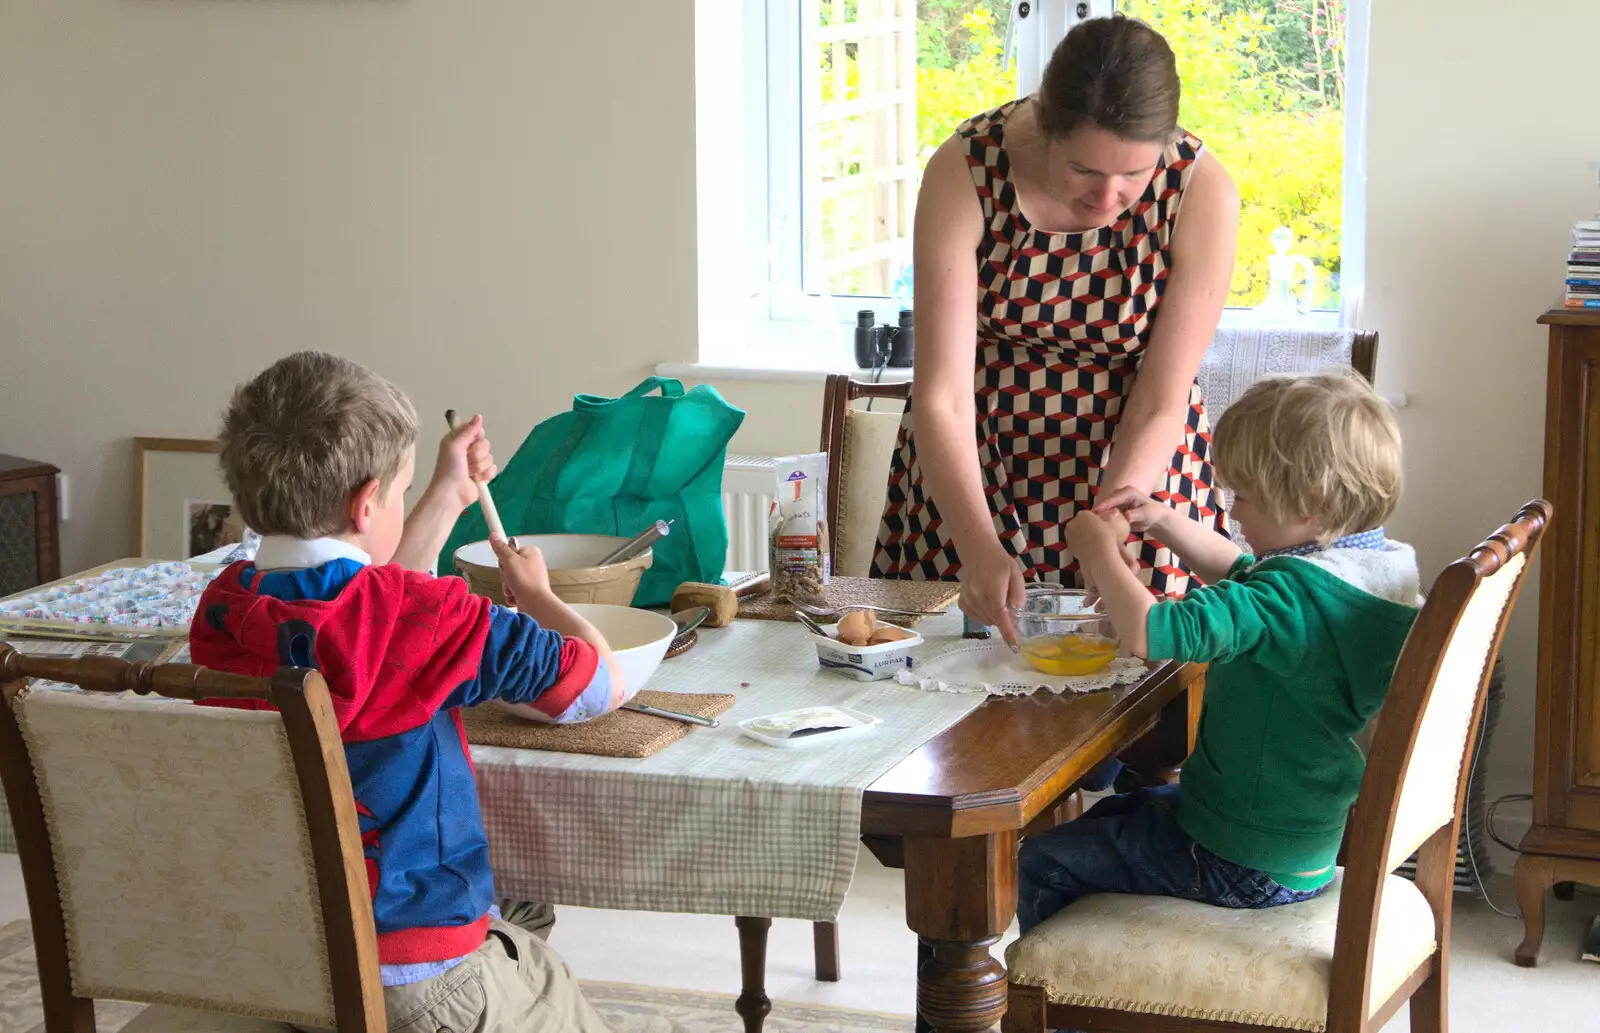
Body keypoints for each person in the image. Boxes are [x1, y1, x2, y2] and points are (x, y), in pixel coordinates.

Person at [190, 351, 619, 1031]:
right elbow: (595, 685)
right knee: (547, 977)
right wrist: (539, 596)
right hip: (417, 979)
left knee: (521, 912)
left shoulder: (222, 610)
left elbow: (375, 599)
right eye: (400, 490)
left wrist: (447, 490)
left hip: (278, 954)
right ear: (367, 504)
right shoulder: (431, 618)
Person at [871, 14, 1238, 650]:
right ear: (1045, 128)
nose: (1108, 197)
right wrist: (977, 544)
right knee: (953, 690)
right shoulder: (966, 170)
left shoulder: (1201, 190)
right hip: (978, 467)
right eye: (1085, 172)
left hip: (1133, 469)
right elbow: (941, 395)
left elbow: (1161, 398)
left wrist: (1107, 534)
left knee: (1139, 698)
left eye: (1133, 174)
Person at [1015, 371, 1418, 933]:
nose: (1234, 513)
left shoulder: (1288, 596)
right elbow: (1242, 571)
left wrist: (1098, 552)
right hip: (1293, 841)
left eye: (1245, 498)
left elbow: (1156, 631)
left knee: (1042, 860)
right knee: (1113, 815)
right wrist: (1160, 519)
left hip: (1240, 855)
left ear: (1310, 505)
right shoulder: (1369, 574)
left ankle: (1063, 1012)